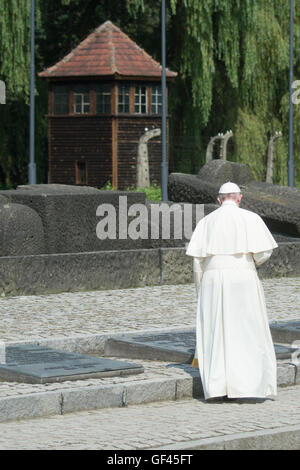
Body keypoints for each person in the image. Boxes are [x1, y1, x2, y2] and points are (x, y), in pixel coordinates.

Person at [186, 181, 278, 400]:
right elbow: (264, 252)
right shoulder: (251, 218)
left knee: (216, 331)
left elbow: (197, 263)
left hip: (212, 279)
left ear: (219, 200)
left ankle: (218, 387)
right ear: (239, 198)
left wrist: (200, 291)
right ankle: (248, 386)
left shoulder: (206, 222)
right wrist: (251, 261)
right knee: (247, 329)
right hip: (243, 276)